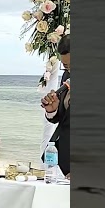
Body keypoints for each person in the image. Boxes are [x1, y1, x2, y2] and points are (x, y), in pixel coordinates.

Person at [41, 35, 71, 176]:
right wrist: (52, 111)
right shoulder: (66, 77)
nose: (70, 71)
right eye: (66, 66)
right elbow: (63, 118)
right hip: (63, 160)